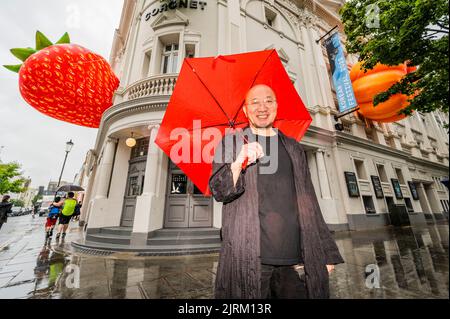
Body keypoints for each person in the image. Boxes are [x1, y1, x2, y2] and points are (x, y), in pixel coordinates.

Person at [208, 84, 344, 299]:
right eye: (255, 102)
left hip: (296, 258)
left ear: (276, 107)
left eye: (269, 101)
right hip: (249, 258)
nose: (262, 107)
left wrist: (326, 251)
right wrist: (237, 163)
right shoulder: (231, 143)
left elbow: (309, 200)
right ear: (245, 110)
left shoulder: (293, 147)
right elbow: (220, 191)